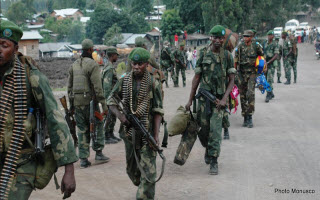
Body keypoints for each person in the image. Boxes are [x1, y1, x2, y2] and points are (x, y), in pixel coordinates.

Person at [0, 20, 78, 199]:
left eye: (4, 45)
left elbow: (55, 119)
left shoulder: (31, 77)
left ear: (16, 48)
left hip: (22, 161)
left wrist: (69, 168)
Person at [107, 47, 164, 200]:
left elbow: (158, 110)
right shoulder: (125, 81)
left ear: (147, 64)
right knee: (133, 171)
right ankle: (142, 186)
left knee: (149, 171)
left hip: (147, 132)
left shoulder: (153, 83)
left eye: (140, 64)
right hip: (129, 133)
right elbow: (111, 100)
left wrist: (155, 135)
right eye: (134, 64)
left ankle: (144, 195)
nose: (137, 67)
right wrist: (121, 117)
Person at [185, 25, 236, 175]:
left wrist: (224, 99)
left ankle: (214, 160)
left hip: (219, 101)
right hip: (203, 100)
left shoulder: (227, 56)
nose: (218, 40)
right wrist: (189, 100)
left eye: (221, 38)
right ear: (211, 38)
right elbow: (196, 78)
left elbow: (231, 80)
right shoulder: (202, 54)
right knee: (204, 130)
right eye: (215, 37)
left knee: (215, 131)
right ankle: (208, 149)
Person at [68, 39, 110, 169]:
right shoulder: (93, 64)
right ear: (91, 49)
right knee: (97, 125)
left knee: (82, 130)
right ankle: (98, 153)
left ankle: (84, 159)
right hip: (90, 103)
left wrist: (71, 107)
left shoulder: (74, 65)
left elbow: (69, 88)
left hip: (77, 102)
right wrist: (104, 105)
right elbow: (98, 87)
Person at [235, 30, 264, 128]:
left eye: (247, 36)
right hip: (241, 73)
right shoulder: (240, 46)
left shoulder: (256, 46)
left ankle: (250, 116)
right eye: (244, 36)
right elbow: (236, 60)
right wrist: (235, 72)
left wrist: (262, 67)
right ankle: (245, 117)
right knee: (243, 96)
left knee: (250, 94)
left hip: (252, 73)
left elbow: (261, 56)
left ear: (251, 37)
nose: (245, 37)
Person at [101, 47, 121, 144]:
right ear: (112, 55)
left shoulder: (110, 66)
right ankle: (106, 136)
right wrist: (108, 100)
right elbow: (107, 86)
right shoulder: (109, 68)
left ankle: (110, 133)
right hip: (110, 97)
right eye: (116, 55)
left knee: (113, 116)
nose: (117, 57)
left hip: (113, 97)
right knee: (108, 116)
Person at [263, 30, 279, 103]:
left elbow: (276, 55)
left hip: (271, 64)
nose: (270, 36)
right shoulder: (265, 43)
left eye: (271, 35)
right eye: (269, 35)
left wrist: (269, 62)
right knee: (265, 79)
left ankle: (268, 95)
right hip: (265, 64)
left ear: (273, 36)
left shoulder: (275, 44)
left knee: (269, 79)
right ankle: (271, 93)